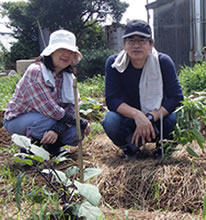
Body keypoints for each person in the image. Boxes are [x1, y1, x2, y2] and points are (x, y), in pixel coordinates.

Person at [102, 19, 184, 159]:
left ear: (151, 44)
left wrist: (150, 117)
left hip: (158, 119)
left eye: (142, 41)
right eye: (131, 41)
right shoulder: (115, 64)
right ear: (124, 44)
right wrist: (137, 115)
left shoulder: (163, 62)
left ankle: (163, 148)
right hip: (129, 120)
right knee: (110, 120)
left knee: (180, 114)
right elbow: (112, 99)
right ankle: (129, 148)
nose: (136, 46)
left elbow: (176, 98)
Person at [3, 29, 90, 156]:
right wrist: (81, 122)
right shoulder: (36, 72)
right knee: (49, 122)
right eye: (62, 49)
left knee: (76, 133)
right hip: (19, 120)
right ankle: (30, 150)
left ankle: (50, 149)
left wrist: (57, 129)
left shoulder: (68, 77)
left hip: (51, 119)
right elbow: (51, 110)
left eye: (71, 52)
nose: (66, 54)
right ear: (51, 51)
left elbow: (73, 107)